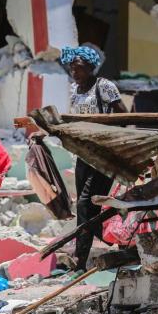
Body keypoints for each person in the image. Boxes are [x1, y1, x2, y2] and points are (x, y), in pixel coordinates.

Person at [61, 45, 126, 272]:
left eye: (78, 69)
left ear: (90, 67)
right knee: (85, 205)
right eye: (71, 69)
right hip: (83, 155)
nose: (74, 73)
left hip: (103, 155)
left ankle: (80, 259)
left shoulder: (104, 86)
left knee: (85, 203)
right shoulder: (74, 91)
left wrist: (106, 134)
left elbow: (124, 116)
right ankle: (102, 244)